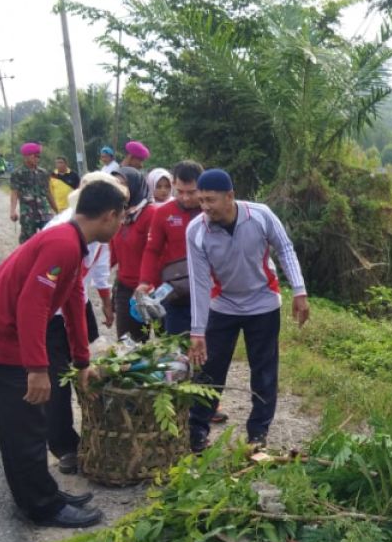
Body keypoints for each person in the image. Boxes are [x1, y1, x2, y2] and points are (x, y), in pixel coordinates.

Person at [0, 179, 128, 528]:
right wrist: (37, 368)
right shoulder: (62, 244)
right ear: (110, 215)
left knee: (22, 424)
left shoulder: (73, 242)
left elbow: (74, 301)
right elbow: (32, 306)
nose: (122, 224)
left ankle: (40, 492)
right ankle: (41, 506)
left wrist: (82, 361)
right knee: (26, 427)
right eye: (122, 217)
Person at [185, 168, 309, 450]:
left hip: (263, 303)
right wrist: (197, 330)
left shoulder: (261, 215)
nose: (204, 207)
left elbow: (286, 249)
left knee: (264, 370)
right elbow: (199, 282)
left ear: (230, 196)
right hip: (223, 305)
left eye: (211, 200)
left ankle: (258, 433)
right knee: (209, 370)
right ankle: (197, 430)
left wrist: (299, 290)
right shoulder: (196, 230)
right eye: (201, 200)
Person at [42, 173, 122, 475]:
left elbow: (96, 271)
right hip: (52, 315)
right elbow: (37, 298)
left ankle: (95, 433)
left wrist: (104, 300)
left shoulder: (98, 232)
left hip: (77, 304)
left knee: (89, 369)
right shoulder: (60, 232)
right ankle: (64, 446)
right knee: (58, 381)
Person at [136, 161, 202, 336]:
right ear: (174, 184)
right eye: (180, 192)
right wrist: (144, 282)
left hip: (209, 294)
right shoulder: (163, 213)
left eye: (191, 192)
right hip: (176, 293)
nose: (186, 198)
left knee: (212, 354)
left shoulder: (210, 210)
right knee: (177, 353)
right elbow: (152, 250)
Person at [109, 167, 155, 342]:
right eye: (114, 185)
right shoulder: (119, 214)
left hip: (148, 289)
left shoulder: (150, 214)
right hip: (124, 287)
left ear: (134, 186)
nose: (117, 190)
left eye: (122, 185)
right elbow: (111, 252)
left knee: (164, 343)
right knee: (127, 345)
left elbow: (156, 252)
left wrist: (148, 285)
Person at [10, 142, 57, 243]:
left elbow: (48, 193)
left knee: (49, 239)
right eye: (34, 156)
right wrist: (12, 211)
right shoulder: (17, 173)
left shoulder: (43, 173)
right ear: (26, 157)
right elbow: (14, 192)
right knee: (28, 243)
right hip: (28, 215)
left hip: (45, 213)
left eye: (38, 157)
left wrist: (57, 210)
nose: (37, 159)